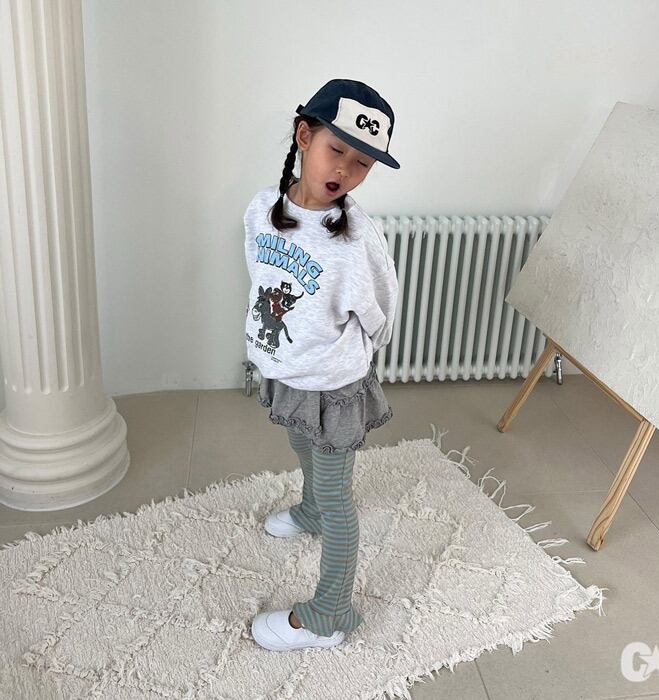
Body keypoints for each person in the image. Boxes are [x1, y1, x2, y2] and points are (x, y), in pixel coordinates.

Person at [243, 78, 400, 652]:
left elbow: (382, 309)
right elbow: (261, 276)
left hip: (333, 384)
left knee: (339, 500)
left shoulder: (357, 239)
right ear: (304, 136)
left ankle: (330, 613)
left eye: (362, 164)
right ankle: (308, 508)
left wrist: (344, 357)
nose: (345, 171)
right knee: (299, 444)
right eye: (337, 150)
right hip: (287, 369)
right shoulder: (261, 209)